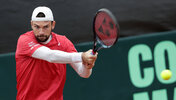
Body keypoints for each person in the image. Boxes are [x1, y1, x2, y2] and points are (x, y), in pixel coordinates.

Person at [15, 6, 98, 100]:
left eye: (45, 27)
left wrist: (87, 66)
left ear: (53, 25)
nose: (41, 32)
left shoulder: (64, 42)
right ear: (31, 24)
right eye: (37, 27)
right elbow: (50, 56)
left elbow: (83, 73)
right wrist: (82, 56)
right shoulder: (24, 40)